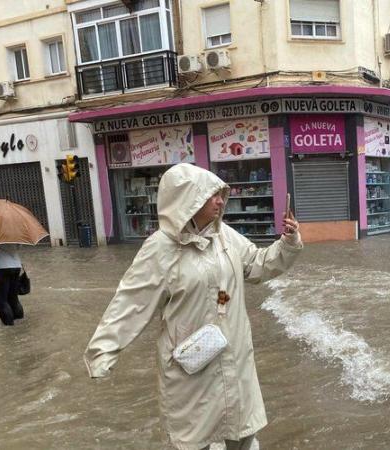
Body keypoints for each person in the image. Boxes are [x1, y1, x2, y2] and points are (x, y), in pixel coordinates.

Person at [83, 164, 303, 450]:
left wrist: (288, 243)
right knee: (194, 439)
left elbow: (259, 265)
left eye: (220, 195)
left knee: (242, 431)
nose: (221, 201)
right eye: (213, 195)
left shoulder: (224, 236)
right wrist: (103, 351)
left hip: (235, 357)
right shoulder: (160, 248)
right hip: (192, 368)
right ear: (189, 199)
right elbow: (131, 303)